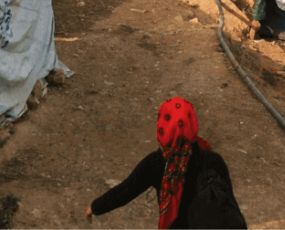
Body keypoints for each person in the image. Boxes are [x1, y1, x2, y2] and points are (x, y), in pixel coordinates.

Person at [85, 97, 246, 229]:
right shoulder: (213, 160)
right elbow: (228, 201)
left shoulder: (157, 163)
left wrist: (95, 207)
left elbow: (125, 191)